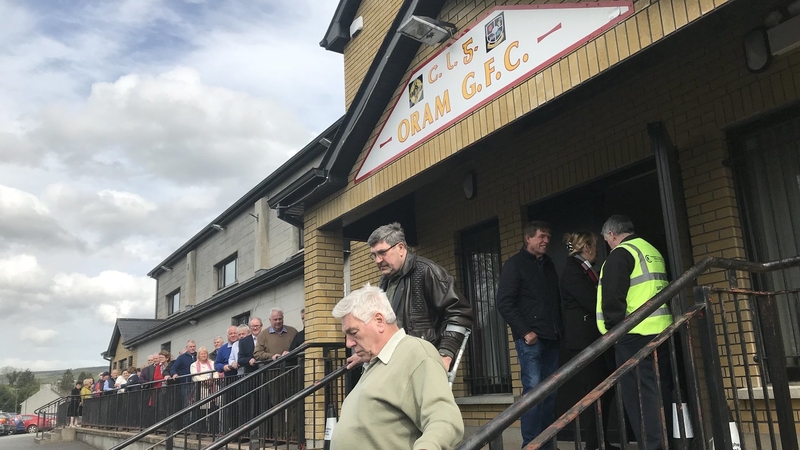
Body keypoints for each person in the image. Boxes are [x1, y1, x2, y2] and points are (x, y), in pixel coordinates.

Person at [330, 284, 464, 450]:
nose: (348, 342)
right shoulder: (376, 362)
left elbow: (446, 419)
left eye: (353, 332)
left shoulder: (416, 353)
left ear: (379, 321)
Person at [352, 222, 472, 372]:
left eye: (382, 252)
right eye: (374, 255)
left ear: (401, 248)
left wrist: (445, 355)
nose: (377, 260)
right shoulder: (385, 281)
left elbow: (459, 314)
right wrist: (368, 351)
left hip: (421, 364)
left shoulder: (427, 272)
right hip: (393, 365)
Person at [597, 215, 673, 450]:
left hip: (634, 336)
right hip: (661, 332)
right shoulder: (651, 251)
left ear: (611, 235)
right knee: (660, 393)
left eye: (606, 239)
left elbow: (612, 298)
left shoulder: (620, 254)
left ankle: (652, 446)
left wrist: (614, 331)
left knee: (639, 397)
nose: (607, 244)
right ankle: (665, 442)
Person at [496, 220, 562, 449]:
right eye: (542, 236)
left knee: (550, 393)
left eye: (548, 237)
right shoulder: (514, 265)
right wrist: (525, 331)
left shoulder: (549, 265)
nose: (546, 240)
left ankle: (547, 443)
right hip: (531, 341)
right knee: (533, 392)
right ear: (528, 238)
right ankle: (531, 445)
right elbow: (504, 303)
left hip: (552, 338)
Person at [560, 231, 617, 450]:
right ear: (586, 248)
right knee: (593, 392)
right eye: (594, 245)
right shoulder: (573, 272)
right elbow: (591, 300)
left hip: (595, 339)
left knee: (604, 390)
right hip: (584, 342)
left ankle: (601, 441)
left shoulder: (586, 269)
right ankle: (593, 444)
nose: (597, 250)